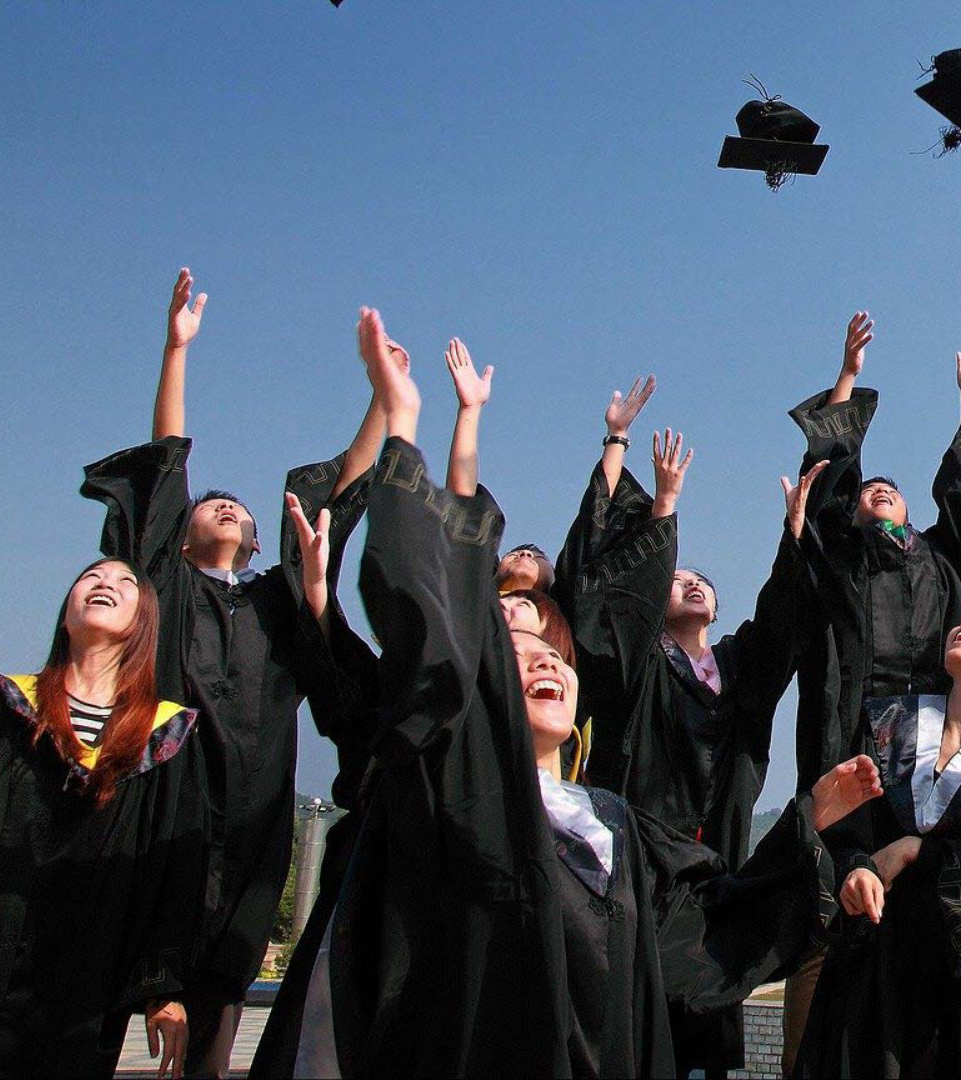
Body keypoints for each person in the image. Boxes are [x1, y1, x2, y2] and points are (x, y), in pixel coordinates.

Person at [295, 307, 871, 1077]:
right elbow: (436, 627)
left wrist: (807, 826)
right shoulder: (456, 788)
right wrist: (411, 428)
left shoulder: (609, 829)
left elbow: (704, 933)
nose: (545, 665)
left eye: (554, 656)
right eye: (514, 649)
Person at [79, 269, 379, 1077]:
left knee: (221, 986)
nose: (228, 507)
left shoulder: (280, 600)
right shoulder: (165, 591)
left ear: (255, 541)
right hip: (161, 798)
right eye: (212, 505)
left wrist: (384, 396)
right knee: (121, 977)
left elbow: (341, 496)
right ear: (177, 537)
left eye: (240, 510)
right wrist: (176, 351)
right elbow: (168, 461)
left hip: (253, 811)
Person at [782, 312, 961, 1067]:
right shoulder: (838, 555)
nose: (881, 496)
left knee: (917, 894)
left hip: (928, 746)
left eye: (891, 493)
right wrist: (848, 380)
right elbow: (826, 482)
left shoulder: (943, 561)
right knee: (828, 899)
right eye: (870, 494)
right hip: (846, 725)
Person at [552, 389, 809, 1078]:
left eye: (703, 582)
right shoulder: (638, 662)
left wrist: (794, 532)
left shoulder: (738, 667)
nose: (692, 585)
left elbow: (782, 624)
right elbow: (608, 598)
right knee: (634, 1017)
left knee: (706, 1032)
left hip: (714, 860)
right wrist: (658, 503)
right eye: (680, 577)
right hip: (642, 858)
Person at [0, 562, 207, 1078]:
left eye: (126, 584)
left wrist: (162, 987)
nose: (105, 583)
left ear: (144, 624)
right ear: (65, 616)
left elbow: (175, 865)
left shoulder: (167, 733)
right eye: (92, 577)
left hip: (88, 966)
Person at [791, 593, 961, 1078]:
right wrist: (856, 865)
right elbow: (851, 819)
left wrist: (922, 850)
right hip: (878, 954)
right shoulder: (889, 722)